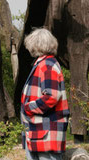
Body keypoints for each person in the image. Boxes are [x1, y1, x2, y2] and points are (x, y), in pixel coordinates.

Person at [21, 28, 70, 160]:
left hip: (46, 133)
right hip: (41, 132)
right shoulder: (44, 63)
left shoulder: (47, 65)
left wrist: (28, 107)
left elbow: (51, 96)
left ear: (36, 45)